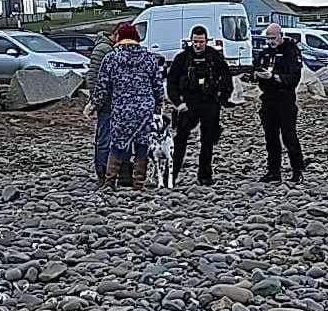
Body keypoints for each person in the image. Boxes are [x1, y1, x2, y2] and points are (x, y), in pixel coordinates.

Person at [92, 23, 165, 190]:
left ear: (120, 38)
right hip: (144, 109)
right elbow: (158, 86)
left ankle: (110, 182)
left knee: (117, 145)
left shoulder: (111, 58)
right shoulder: (149, 58)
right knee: (142, 145)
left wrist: (94, 105)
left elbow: (102, 86)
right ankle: (139, 183)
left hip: (121, 109)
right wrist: (158, 106)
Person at [167, 26, 233, 186]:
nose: (198, 45)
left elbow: (227, 79)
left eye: (201, 42)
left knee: (208, 140)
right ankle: (172, 175)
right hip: (187, 104)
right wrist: (178, 103)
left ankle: (205, 175)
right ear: (191, 40)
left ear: (206, 41)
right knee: (180, 139)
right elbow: (171, 83)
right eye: (195, 42)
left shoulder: (214, 56)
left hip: (209, 102)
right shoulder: (182, 58)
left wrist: (222, 98)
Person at [254, 23, 304, 183]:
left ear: (281, 35)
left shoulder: (291, 51)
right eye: (268, 38)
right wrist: (257, 75)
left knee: (289, 136)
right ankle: (273, 171)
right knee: (271, 138)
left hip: (286, 100)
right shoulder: (265, 53)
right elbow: (256, 68)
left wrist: (275, 77)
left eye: (273, 38)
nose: (270, 41)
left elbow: (294, 77)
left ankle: (297, 171)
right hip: (268, 100)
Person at [84, 23, 122, 186]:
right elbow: (94, 77)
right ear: (116, 36)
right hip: (107, 103)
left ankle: (112, 173)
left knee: (111, 138)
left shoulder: (108, 49)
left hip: (114, 102)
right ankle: (103, 173)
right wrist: (95, 101)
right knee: (105, 139)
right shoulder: (103, 50)